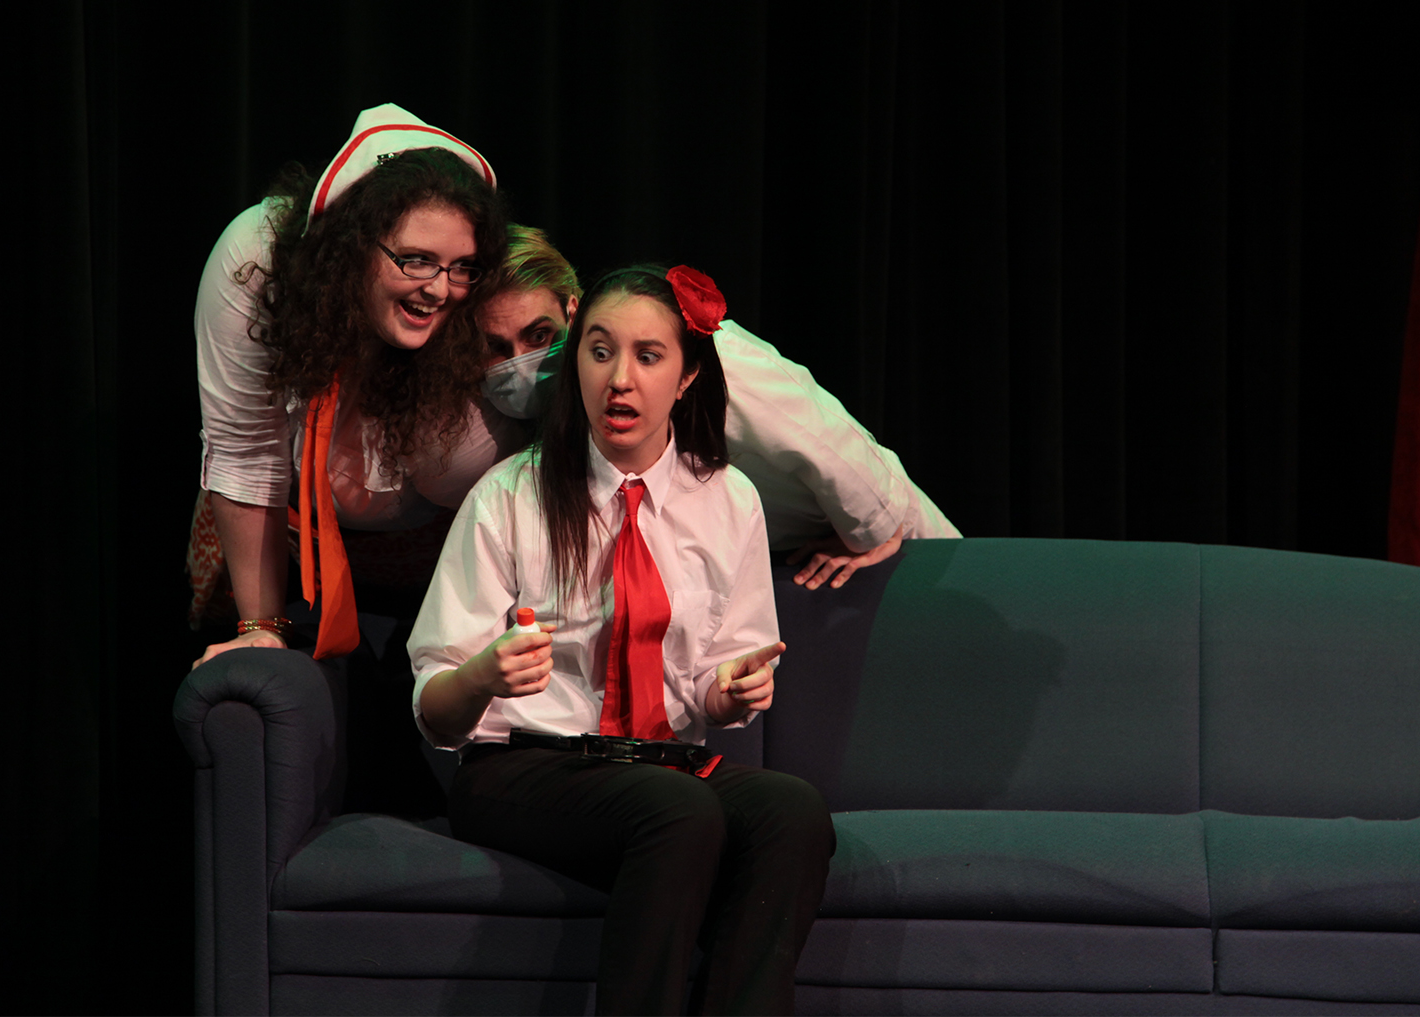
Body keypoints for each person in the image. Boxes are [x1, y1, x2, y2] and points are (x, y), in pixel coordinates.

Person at [410, 264, 835, 1015]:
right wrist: (484, 673)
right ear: (574, 362)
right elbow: (437, 714)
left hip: (659, 762)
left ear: (688, 375)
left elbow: (710, 686)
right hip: (524, 769)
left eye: (648, 355)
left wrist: (730, 690)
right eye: (600, 351)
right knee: (678, 811)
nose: (620, 380)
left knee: (793, 811)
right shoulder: (512, 495)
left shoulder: (728, 499)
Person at [192, 103, 520, 667]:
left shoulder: (486, 295)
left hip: (445, 556)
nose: (440, 290)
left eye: (461, 266)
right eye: (415, 260)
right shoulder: (259, 257)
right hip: (291, 542)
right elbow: (244, 452)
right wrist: (262, 627)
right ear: (351, 246)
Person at [477, 226, 961, 591]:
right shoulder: (573, 389)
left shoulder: (704, 355)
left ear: (572, 311)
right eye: (497, 347)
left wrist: (870, 529)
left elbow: (818, 433)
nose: (519, 363)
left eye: (539, 337)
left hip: (874, 534)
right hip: (775, 559)